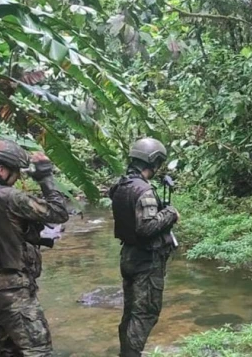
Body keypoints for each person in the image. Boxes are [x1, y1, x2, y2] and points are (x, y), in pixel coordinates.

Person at [0, 139, 69, 356]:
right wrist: (46, 178)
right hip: (12, 290)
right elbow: (58, 213)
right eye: (15, 172)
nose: (18, 177)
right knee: (38, 350)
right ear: (1, 170)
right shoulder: (9, 197)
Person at [110, 138, 179, 357]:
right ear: (154, 161)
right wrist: (170, 213)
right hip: (146, 261)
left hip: (129, 256)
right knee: (145, 314)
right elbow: (146, 228)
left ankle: (126, 352)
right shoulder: (143, 190)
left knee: (131, 313)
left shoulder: (120, 186)